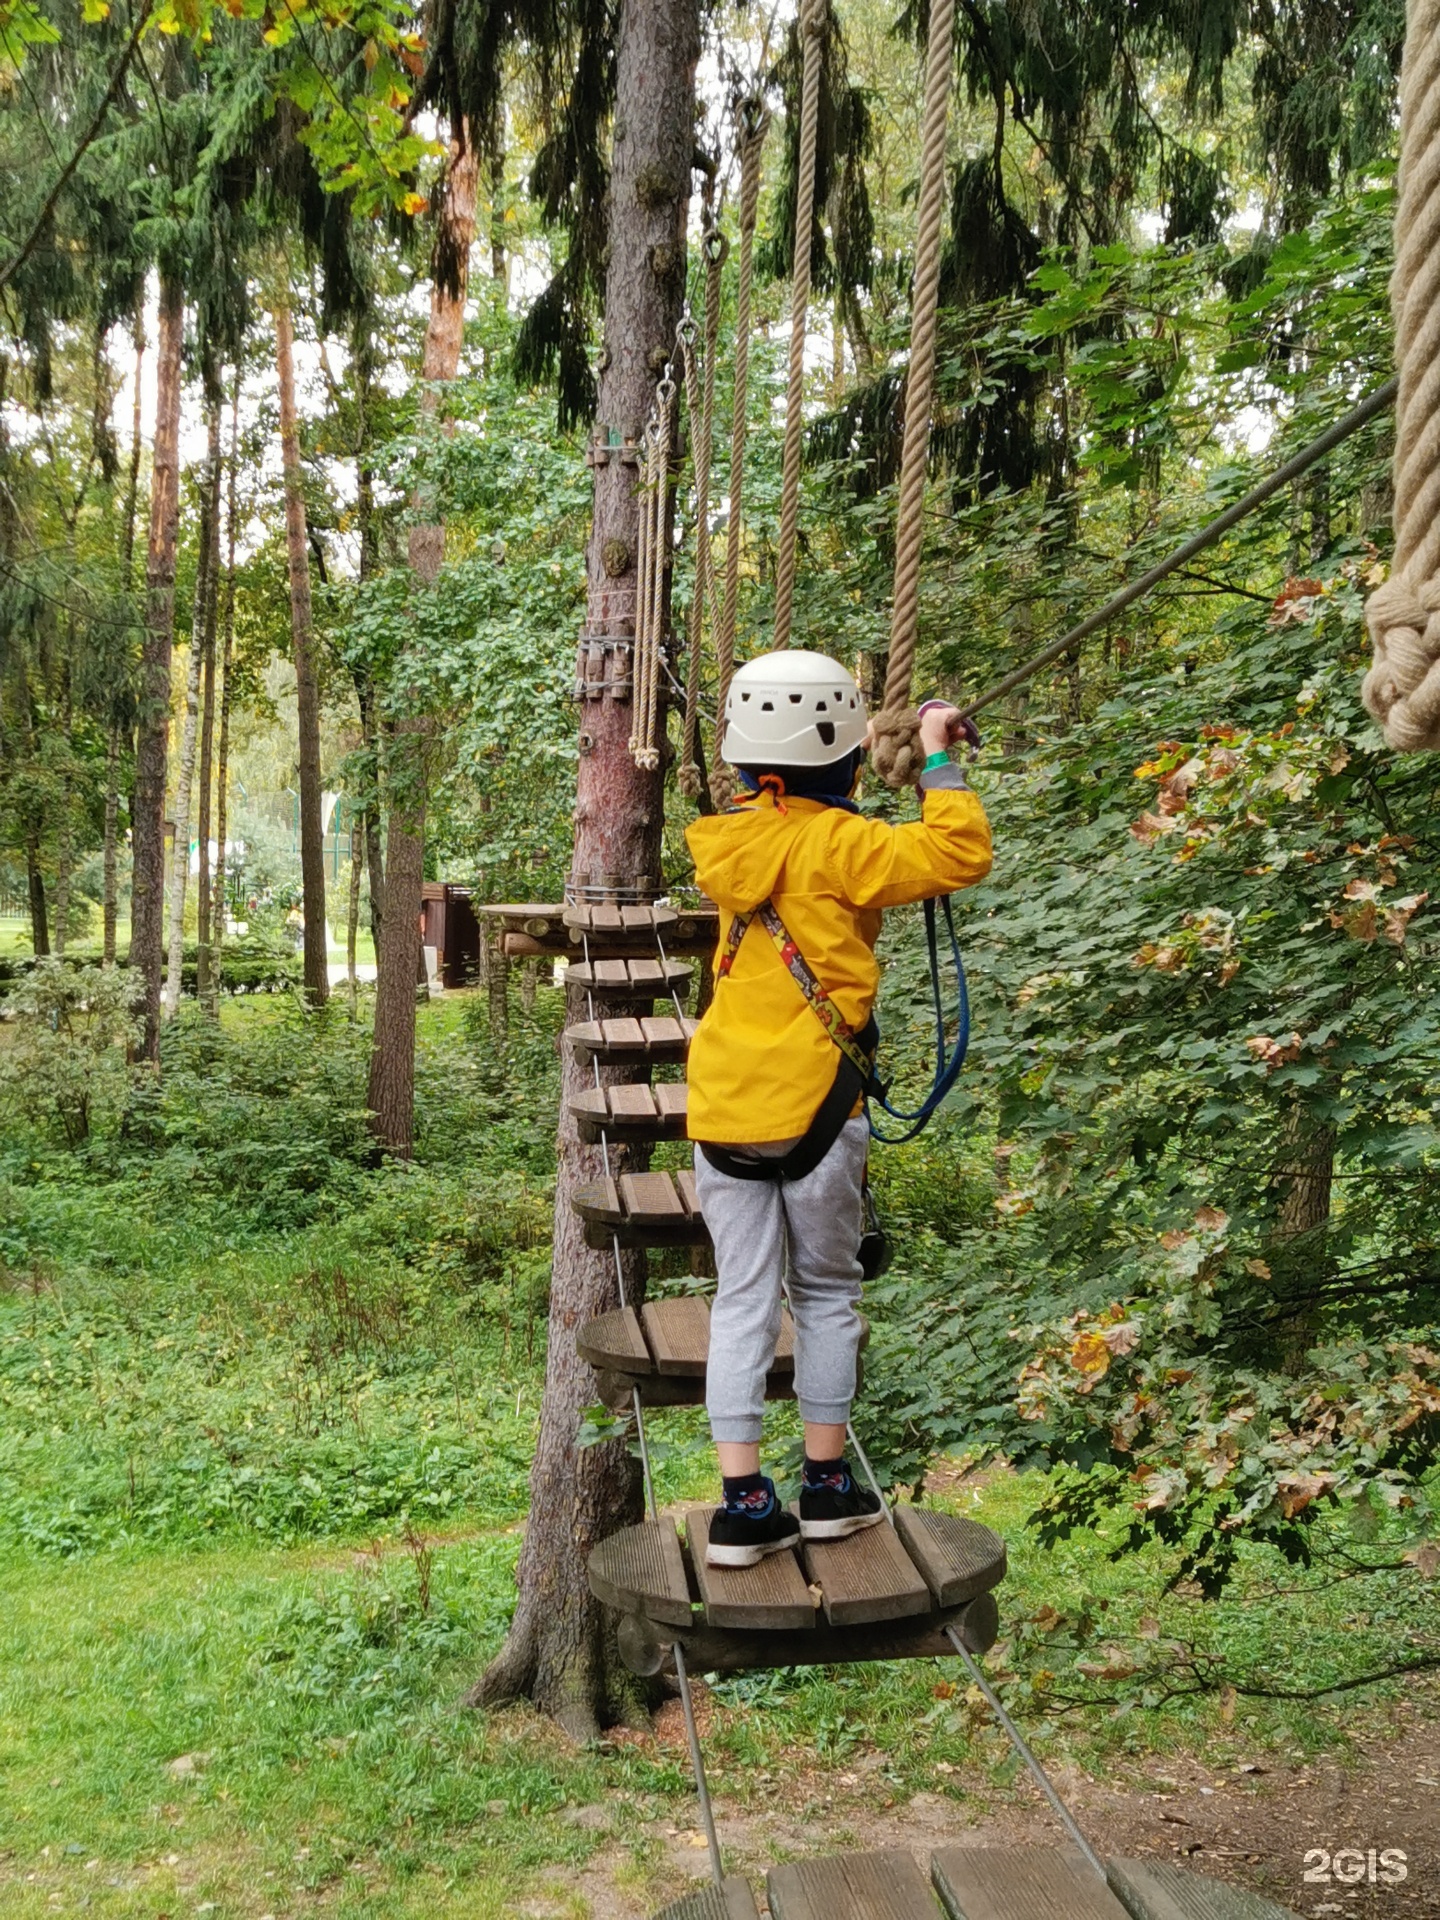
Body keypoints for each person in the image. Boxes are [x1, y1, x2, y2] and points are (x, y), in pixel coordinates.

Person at [685, 651, 993, 1568]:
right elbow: (957, 852)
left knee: (741, 1298)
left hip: (723, 1110)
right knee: (825, 1292)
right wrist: (937, 760)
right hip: (820, 1105)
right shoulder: (847, 846)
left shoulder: (726, 842)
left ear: (741, 762)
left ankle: (742, 1506)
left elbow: (794, 820)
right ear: (851, 762)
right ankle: (825, 1488)